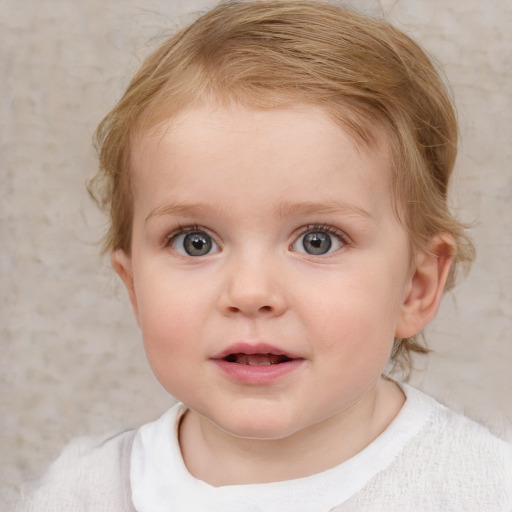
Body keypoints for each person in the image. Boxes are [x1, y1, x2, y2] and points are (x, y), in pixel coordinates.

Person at [16, 1, 512, 510]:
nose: (250, 293)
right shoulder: (81, 494)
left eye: (317, 240)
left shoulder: (482, 489)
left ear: (416, 286)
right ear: (135, 286)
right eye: (196, 241)